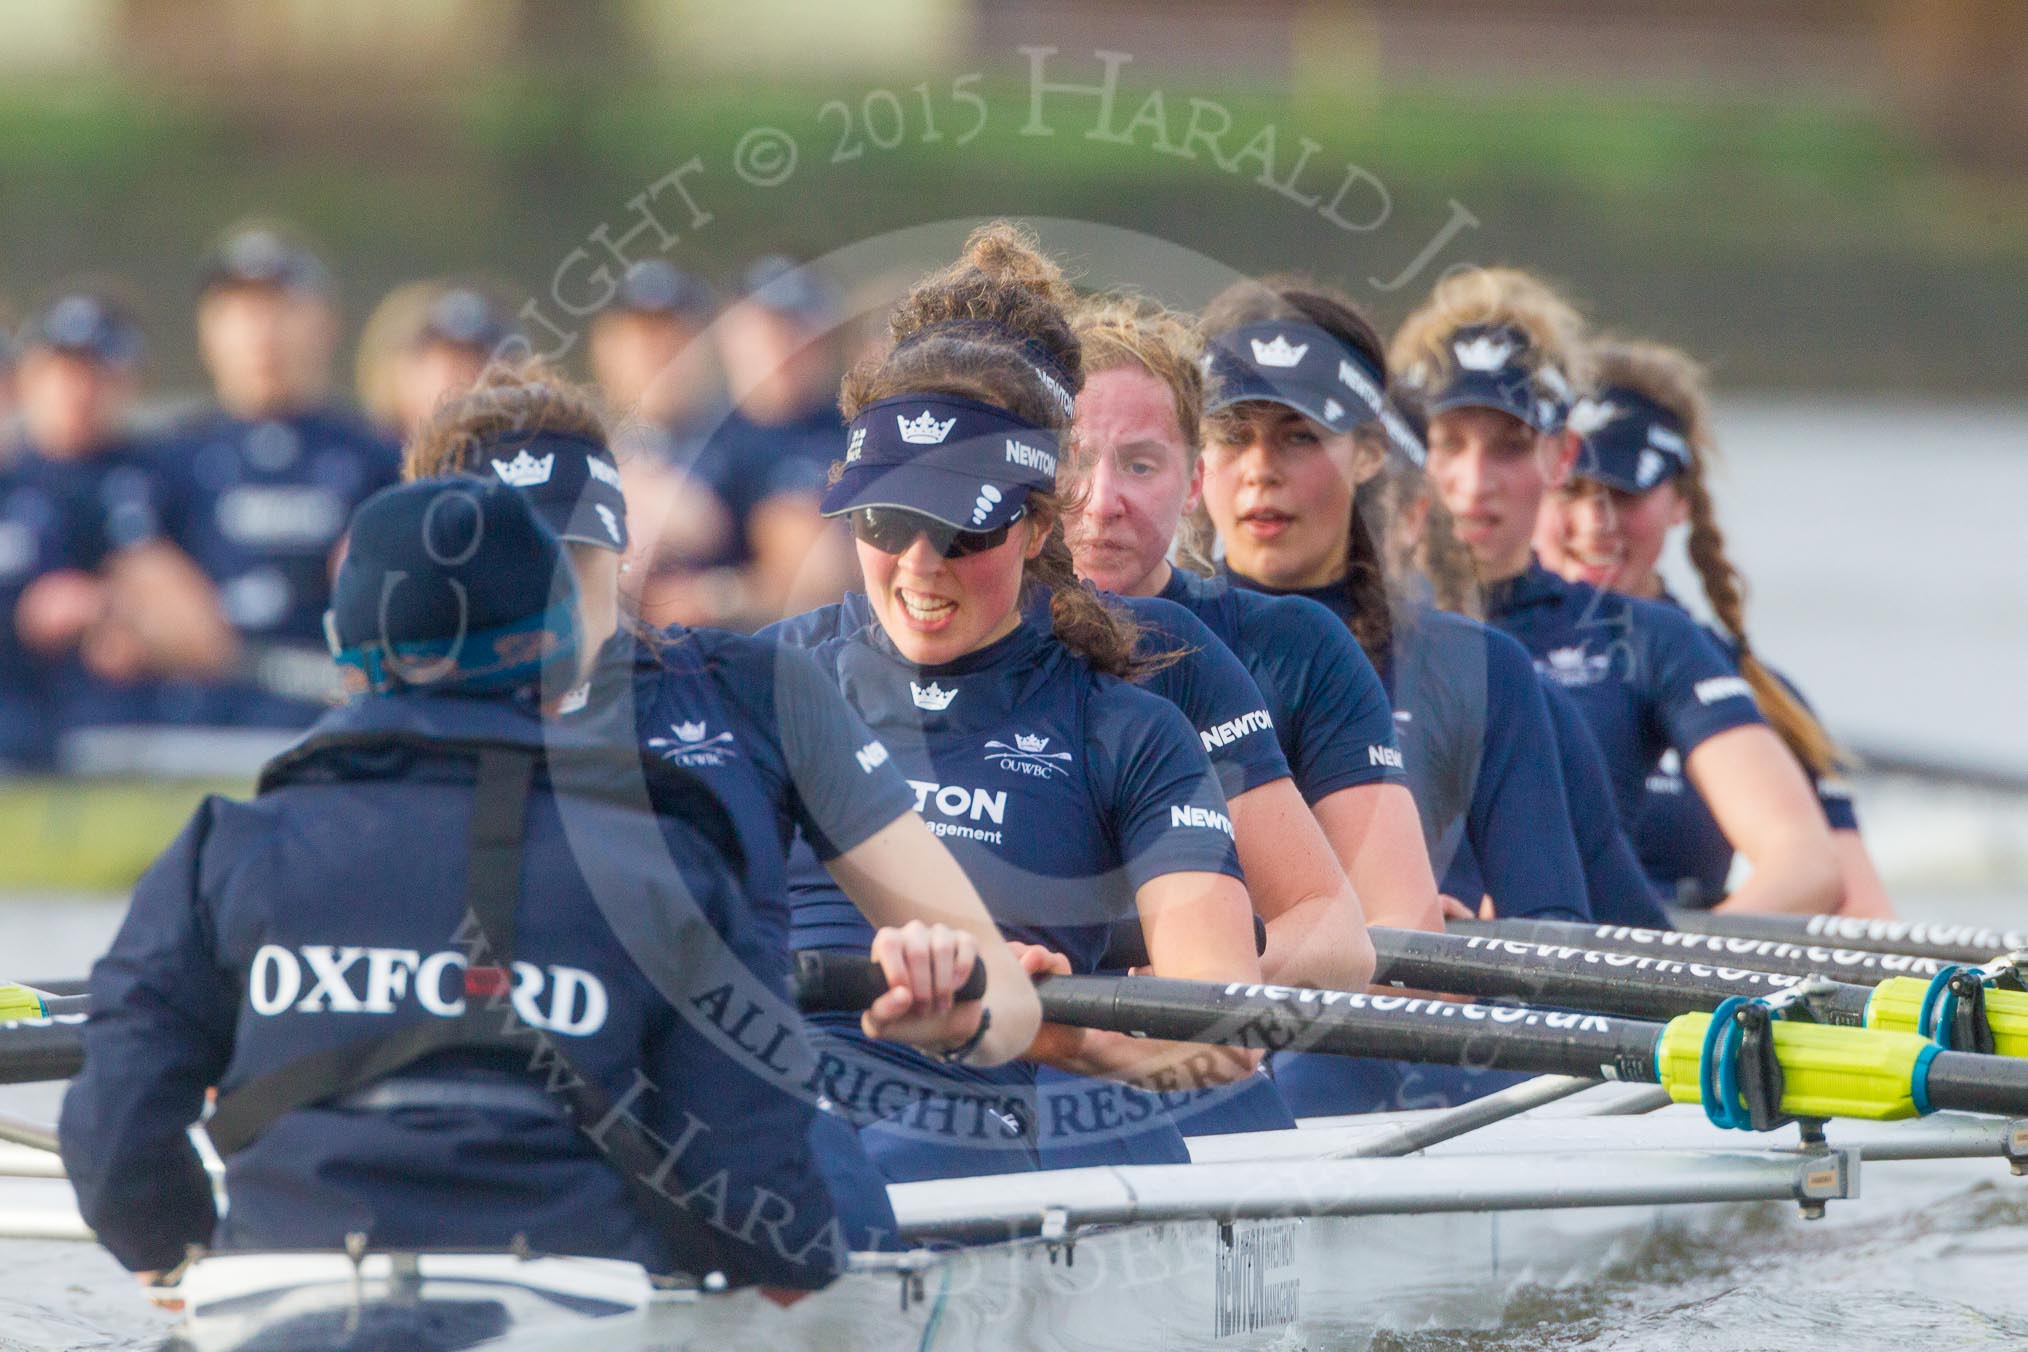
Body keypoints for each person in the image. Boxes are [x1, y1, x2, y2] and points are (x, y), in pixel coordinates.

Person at [59, 477, 939, 1295]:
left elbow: (112, 1140)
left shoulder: (225, 851)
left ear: (346, 658)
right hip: (574, 1298)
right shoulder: (658, 862)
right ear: (558, 650)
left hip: (285, 1296)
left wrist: (192, 1259)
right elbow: (765, 1199)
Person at [769, 225, 1264, 1181]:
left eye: (963, 526)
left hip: (967, 1122)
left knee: (891, 1159)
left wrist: (1052, 1032)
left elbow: (1228, 1037)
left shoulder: (1128, 730)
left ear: (1039, 526)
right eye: (886, 519)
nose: (920, 563)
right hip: (776, 1101)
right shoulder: (766, 686)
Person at [399, 364, 1043, 1072]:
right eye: (517, 562)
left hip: (727, 1113)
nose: (553, 594)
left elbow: (1007, 1006)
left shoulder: (755, 691)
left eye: (575, 553)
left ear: (621, 549)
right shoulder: (384, 745)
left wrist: (958, 1012)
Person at [1394, 268, 1841, 915]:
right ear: (1403, 451)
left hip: (1562, 964)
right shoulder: (1335, 628)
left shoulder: (1644, 637)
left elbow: (1806, 863)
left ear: (1561, 455)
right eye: (1448, 443)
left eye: (1509, 448)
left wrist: (1668, 969)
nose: (1474, 480)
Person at [1068, 295, 1445, 943]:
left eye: (1139, 465)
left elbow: (1408, 942)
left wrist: (1200, 976)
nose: (1102, 502)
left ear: (1194, 482)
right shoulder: (940, 633)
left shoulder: (1295, 642)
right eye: (1073, 460)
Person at [1536, 338, 1893, 917]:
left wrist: (1668, 962)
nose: (1594, 523)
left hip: (1679, 961)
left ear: (1680, 501)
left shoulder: (1750, 692)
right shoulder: (1471, 651)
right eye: (1570, 490)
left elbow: (1867, 917)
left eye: (1624, 495)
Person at [153, 222, 401, 727]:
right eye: (242, 312)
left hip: (335, 711)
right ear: (207, 330)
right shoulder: (165, 461)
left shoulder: (378, 457)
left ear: (325, 322)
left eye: (281, 309)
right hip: (199, 716)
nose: (261, 333)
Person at [4, 290, 233, 764]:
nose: (78, 389)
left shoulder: (159, 478)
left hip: (132, 715)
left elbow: (199, 635)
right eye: (61, 369)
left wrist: (106, 608)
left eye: (96, 372)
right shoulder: (13, 480)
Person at [702, 255, 856, 624]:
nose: (783, 345)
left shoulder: (857, 431)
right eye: (766, 328)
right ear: (730, 335)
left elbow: (822, 575)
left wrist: (721, 595)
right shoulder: (700, 441)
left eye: (797, 327)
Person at [588, 260, 740, 628]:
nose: (658, 353)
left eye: (676, 336)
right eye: (641, 335)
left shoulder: (750, 441)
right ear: (605, 348)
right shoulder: (577, 444)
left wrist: (717, 597)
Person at [358, 281, 512, 445]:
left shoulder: (511, 450)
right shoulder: (355, 451)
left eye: (478, 358)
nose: (467, 376)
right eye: (452, 359)